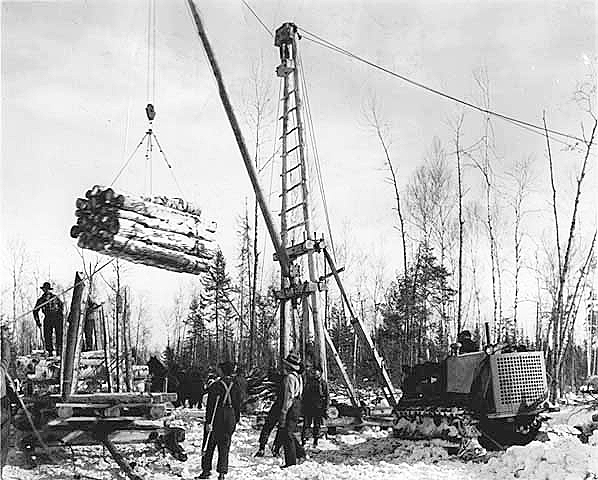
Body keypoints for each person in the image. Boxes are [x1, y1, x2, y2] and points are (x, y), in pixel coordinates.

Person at [197, 360, 242, 480]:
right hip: (230, 415)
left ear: (223, 371)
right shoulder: (236, 385)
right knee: (225, 445)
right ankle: (222, 473)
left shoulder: (216, 386)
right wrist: (236, 419)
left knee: (210, 443)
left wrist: (208, 422)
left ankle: (206, 471)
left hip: (218, 416)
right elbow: (238, 404)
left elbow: (211, 406)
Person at [278, 352, 305, 468]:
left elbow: (288, 397)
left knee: (287, 433)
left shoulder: (289, 378)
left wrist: (283, 412)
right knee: (289, 431)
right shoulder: (298, 377)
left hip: (292, 405)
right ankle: (300, 453)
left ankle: (291, 461)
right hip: (297, 405)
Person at [254, 371, 284, 457]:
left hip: (279, 405)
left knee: (268, 427)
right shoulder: (292, 378)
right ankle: (274, 448)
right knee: (278, 428)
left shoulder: (286, 378)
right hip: (283, 406)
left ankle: (263, 448)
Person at [302, 364, 329, 448]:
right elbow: (305, 394)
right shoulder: (309, 382)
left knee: (317, 425)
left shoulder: (323, 383)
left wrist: (326, 408)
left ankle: (315, 440)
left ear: (320, 373)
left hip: (319, 407)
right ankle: (304, 439)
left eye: (317, 373)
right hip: (309, 406)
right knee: (306, 424)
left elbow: (327, 396)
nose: (315, 374)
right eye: (314, 372)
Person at [33, 282, 64, 356]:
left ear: (49, 290)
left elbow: (62, 306)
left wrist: (61, 314)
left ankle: (59, 352)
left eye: (47, 289)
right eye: (45, 289)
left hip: (57, 317)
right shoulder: (41, 300)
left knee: (59, 334)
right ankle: (49, 352)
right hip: (48, 317)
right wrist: (38, 321)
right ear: (43, 290)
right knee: (47, 335)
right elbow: (35, 311)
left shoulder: (55, 297)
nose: (46, 291)